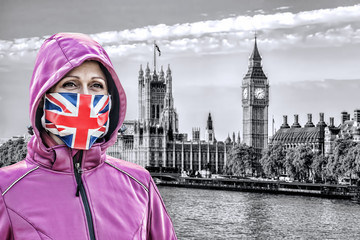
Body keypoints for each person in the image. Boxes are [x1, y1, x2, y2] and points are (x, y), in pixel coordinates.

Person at [0, 33, 177, 239]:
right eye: (70, 84)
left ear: (110, 98)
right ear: (43, 97)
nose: (85, 96)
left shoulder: (141, 184)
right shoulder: (5, 189)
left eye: (96, 85)